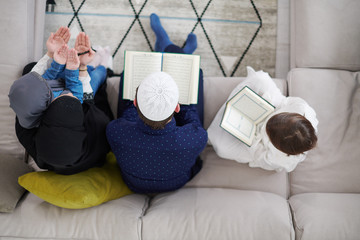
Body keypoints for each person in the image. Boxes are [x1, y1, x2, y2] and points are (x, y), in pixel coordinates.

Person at [106, 13, 207, 194]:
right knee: (196, 74)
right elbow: (192, 118)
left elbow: (127, 116)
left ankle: (165, 44)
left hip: (134, 184)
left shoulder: (115, 132)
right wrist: (183, 103)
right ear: (176, 108)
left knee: (125, 76)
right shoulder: (195, 139)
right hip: (175, 182)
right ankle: (177, 51)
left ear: (135, 102)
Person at [10, 27, 112, 175]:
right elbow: (89, 100)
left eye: (56, 100)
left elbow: (30, 92)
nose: (66, 92)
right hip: (84, 98)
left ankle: (74, 66)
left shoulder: (26, 131)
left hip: (55, 93)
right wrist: (81, 66)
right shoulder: (99, 128)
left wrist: (51, 55)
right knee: (97, 76)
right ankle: (104, 65)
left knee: (29, 69)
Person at [207, 66, 318, 172]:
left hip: (257, 142)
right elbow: (283, 101)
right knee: (260, 79)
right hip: (272, 109)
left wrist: (249, 136)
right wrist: (266, 105)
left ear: (276, 145)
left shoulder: (280, 160)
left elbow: (257, 154)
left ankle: (229, 114)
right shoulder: (302, 108)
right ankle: (233, 107)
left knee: (222, 148)